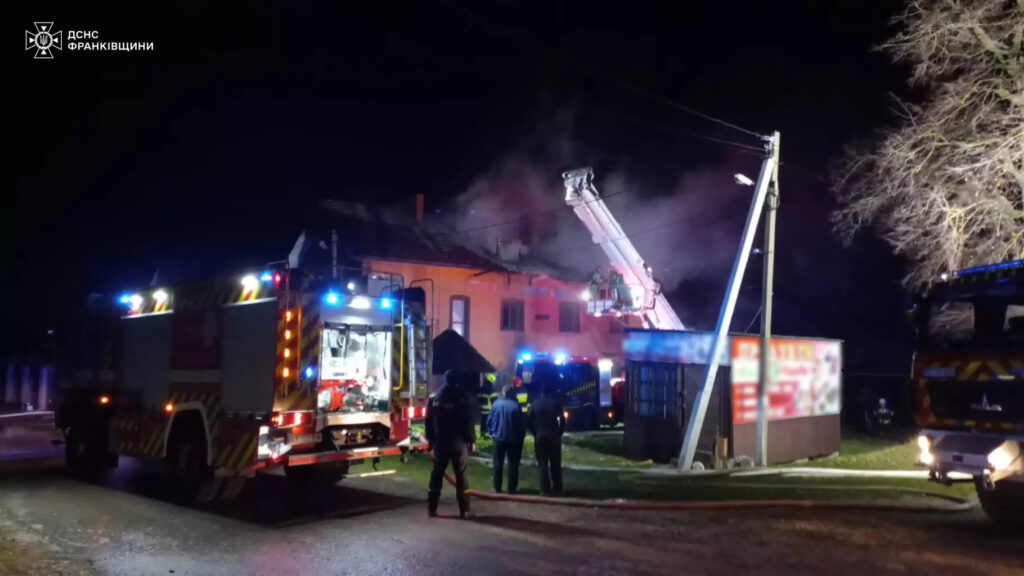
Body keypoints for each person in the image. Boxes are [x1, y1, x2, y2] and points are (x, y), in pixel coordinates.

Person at [425, 369, 476, 518]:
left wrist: (431, 441)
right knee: (461, 475)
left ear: (445, 380)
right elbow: (467, 421)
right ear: (457, 380)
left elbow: (428, 421)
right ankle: (464, 510)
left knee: (436, 474)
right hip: (457, 442)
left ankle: (431, 508)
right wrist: (471, 440)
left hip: (440, 442)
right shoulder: (462, 396)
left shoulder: (434, 397)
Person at [526, 384, 565, 496]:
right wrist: (559, 432)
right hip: (554, 437)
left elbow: (528, 421)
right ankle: (558, 489)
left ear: (541, 393)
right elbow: (562, 420)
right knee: (555, 464)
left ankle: (545, 489)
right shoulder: (556, 404)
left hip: (540, 436)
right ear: (550, 393)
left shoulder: (535, 404)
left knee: (542, 464)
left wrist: (535, 432)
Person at [487, 384, 526, 493]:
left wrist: (491, 432)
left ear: (503, 393)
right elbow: (520, 424)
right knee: (513, 463)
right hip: (513, 439)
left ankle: (496, 487)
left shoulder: (495, 404)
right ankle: (511, 488)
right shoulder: (516, 406)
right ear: (512, 393)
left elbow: (489, 420)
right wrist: (521, 437)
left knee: (497, 463)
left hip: (498, 437)